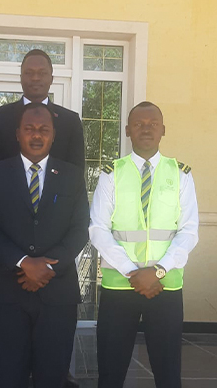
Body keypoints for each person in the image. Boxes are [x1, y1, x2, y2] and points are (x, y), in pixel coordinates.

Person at [0, 49, 85, 388]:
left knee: (52, 373)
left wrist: (47, 265)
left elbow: (79, 226)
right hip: (8, 281)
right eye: (29, 129)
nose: (36, 135)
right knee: (10, 371)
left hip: (57, 285)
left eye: (44, 129)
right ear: (18, 133)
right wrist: (22, 262)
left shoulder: (70, 167)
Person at [89, 101, 199, 388]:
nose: (146, 129)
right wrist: (132, 272)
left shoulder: (181, 174)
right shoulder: (111, 174)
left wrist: (158, 271)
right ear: (127, 130)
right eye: (139, 124)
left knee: (167, 372)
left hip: (165, 285)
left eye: (153, 124)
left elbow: (189, 231)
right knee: (110, 372)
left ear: (163, 130)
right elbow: (98, 229)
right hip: (119, 286)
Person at [0, 49, 84, 169]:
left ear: (51, 79)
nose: (35, 78)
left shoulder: (70, 121)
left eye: (42, 73)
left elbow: (76, 171)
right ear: (21, 78)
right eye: (29, 73)